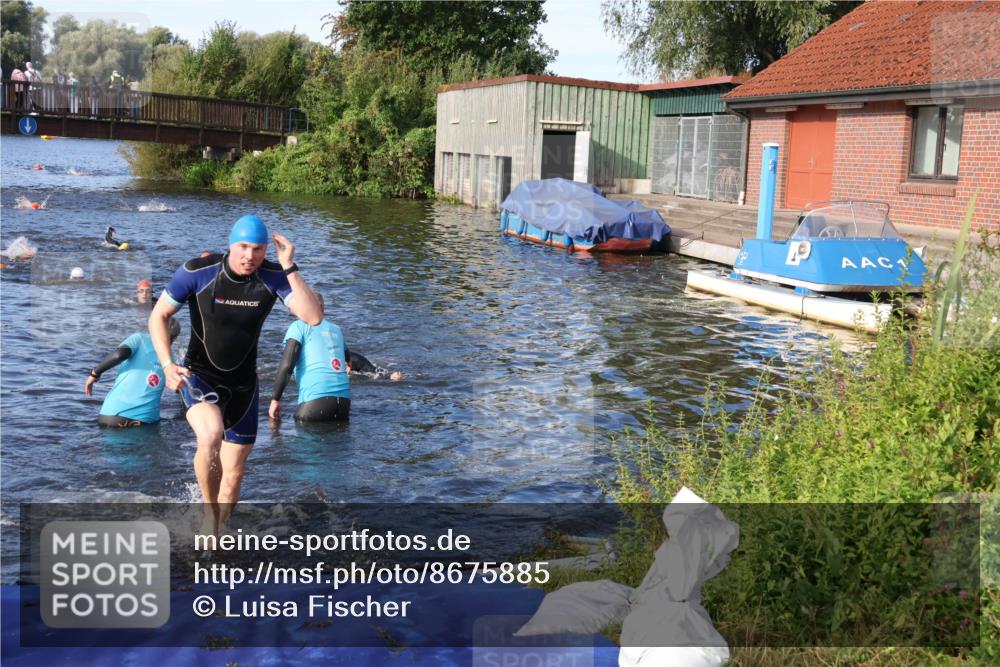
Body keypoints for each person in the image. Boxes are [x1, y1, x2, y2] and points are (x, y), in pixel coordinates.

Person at [149, 214, 321, 535]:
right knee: (210, 435)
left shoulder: (272, 275)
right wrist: (167, 364)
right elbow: (159, 315)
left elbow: (313, 317)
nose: (249, 256)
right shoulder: (198, 272)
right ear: (230, 245)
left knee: (234, 476)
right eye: (243, 247)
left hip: (243, 386)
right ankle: (208, 514)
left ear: (266, 249)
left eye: (257, 249)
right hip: (198, 376)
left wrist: (290, 266)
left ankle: (219, 532)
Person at [269, 293, 403, 423]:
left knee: (275, 424)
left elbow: (287, 365)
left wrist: (275, 399)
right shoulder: (336, 329)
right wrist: (348, 365)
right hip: (343, 406)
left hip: (315, 405)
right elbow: (349, 357)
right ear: (323, 309)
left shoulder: (298, 326)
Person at [85, 318, 181, 427]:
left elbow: (119, 355)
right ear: (174, 338)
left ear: (153, 328)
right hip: (143, 421)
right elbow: (178, 388)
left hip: (109, 415)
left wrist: (95, 373)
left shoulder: (139, 339)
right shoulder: (171, 360)